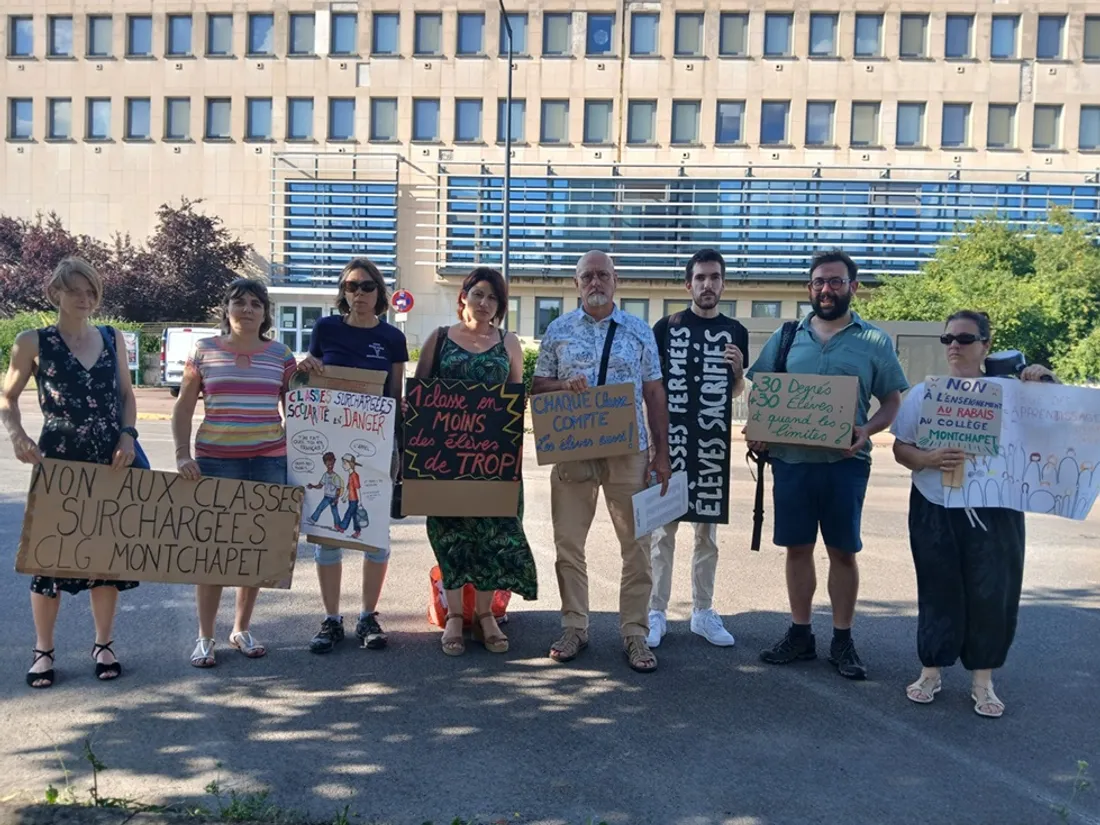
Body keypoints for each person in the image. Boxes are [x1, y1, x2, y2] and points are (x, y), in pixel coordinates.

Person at [745, 249, 908, 680]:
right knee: (797, 548)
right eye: (819, 282)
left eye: (835, 281)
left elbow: (892, 399)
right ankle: (800, 634)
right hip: (792, 462)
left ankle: (842, 638)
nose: (826, 289)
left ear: (852, 286)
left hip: (845, 464)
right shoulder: (785, 337)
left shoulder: (874, 340)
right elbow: (762, 390)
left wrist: (867, 430)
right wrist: (758, 429)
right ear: (809, 287)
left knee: (842, 551)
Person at [891, 311, 1057, 718]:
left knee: (993, 592)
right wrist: (927, 458)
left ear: (986, 343)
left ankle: (983, 681)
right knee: (937, 586)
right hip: (935, 504)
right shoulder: (924, 394)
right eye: (947, 338)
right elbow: (900, 448)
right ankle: (930, 670)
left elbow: (1055, 431)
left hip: (995, 506)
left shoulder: (1013, 392)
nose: (953, 346)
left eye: (964, 339)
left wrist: (1044, 387)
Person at [1, 257, 139, 688]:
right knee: (50, 560)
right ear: (56, 292)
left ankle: (103, 643)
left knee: (105, 560)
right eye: (76, 290)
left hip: (108, 461)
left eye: (92, 292)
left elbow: (126, 394)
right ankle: (43, 650)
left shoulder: (112, 337)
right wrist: (17, 434)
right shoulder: (32, 342)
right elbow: (7, 397)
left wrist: (129, 436)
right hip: (57, 462)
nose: (84, 299)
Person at [533, 250, 671, 673]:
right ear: (576, 284)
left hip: (628, 451)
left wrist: (662, 453)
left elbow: (653, 392)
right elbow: (537, 388)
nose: (596, 282)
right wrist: (562, 385)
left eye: (603, 275)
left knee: (637, 546)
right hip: (573, 448)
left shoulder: (638, 330)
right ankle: (575, 626)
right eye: (587, 276)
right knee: (568, 544)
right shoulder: (557, 330)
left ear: (616, 280)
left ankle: (635, 632)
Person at [173, 278, 297, 668]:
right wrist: (180, 454)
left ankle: (241, 628)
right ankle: (205, 636)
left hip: (268, 461)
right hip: (215, 461)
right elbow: (183, 406)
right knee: (211, 553)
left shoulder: (281, 354)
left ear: (265, 313)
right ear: (227, 309)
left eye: (255, 303)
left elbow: (298, 406)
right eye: (239, 302)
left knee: (254, 550)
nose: (247, 309)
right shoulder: (205, 351)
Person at [415, 267, 536, 656]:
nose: (485, 303)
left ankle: (485, 615)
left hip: (493, 460)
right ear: (464, 295)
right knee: (450, 535)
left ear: (500, 306)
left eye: (493, 298)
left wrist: (514, 460)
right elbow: (419, 395)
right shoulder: (438, 339)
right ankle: (453, 615)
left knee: (491, 535)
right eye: (479, 294)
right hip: (444, 461)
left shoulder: (509, 342)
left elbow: (516, 402)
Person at [296, 257, 408, 653]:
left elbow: (395, 397)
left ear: (379, 293)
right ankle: (330, 619)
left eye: (366, 286)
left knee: (375, 536)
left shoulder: (393, 338)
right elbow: (309, 385)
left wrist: (397, 451)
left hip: (376, 446)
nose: (358, 293)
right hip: (330, 443)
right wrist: (304, 369)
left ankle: (367, 616)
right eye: (350, 286)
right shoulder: (325, 329)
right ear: (343, 293)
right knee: (328, 537)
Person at [647, 248, 748, 649]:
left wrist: (738, 371)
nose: (708, 285)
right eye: (701, 277)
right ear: (688, 283)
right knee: (662, 533)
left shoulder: (736, 331)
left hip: (710, 447)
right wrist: (654, 446)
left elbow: (734, 391)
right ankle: (655, 612)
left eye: (715, 277)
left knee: (707, 535)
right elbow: (651, 389)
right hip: (670, 443)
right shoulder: (666, 327)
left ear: (723, 283)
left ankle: (702, 611)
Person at [307, 451, 343, 530]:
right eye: (328, 463)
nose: (330, 465)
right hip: (326, 497)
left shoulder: (336, 476)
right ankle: (313, 519)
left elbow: (338, 489)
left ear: (334, 462)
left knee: (335, 512)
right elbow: (320, 485)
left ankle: (338, 525)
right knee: (320, 508)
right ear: (325, 464)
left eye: (331, 463)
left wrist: (336, 499)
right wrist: (313, 486)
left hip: (333, 497)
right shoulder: (325, 475)